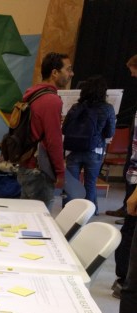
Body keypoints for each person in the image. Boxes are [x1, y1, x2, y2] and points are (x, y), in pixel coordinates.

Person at [17, 52, 74, 207]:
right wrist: (60, 172)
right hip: (39, 170)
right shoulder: (51, 100)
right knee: (39, 222)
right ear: (55, 73)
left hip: (26, 165)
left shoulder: (32, 94)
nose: (71, 74)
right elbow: (53, 140)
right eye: (68, 69)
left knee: (26, 217)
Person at [62, 76, 116, 211]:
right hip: (95, 150)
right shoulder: (107, 108)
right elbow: (109, 133)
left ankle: (69, 212)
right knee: (90, 184)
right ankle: (88, 213)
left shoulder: (76, 107)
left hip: (73, 150)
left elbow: (64, 129)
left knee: (71, 184)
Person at [112, 56, 137, 299]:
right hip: (133, 178)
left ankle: (125, 280)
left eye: (134, 72)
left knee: (130, 230)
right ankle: (123, 277)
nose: (132, 78)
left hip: (136, 182)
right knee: (129, 230)